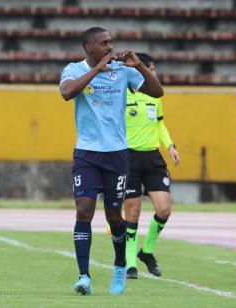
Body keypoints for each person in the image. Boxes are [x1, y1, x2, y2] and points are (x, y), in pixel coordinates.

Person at [59, 27, 163, 295]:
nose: (109, 47)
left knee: (114, 216)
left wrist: (138, 66)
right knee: (84, 210)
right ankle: (84, 277)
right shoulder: (73, 70)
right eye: (103, 43)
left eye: (110, 43)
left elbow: (157, 92)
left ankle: (119, 266)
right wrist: (97, 70)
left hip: (117, 155)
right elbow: (67, 93)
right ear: (89, 47)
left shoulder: (124, 71)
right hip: (86, 154)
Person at [121, 53, 180, 279]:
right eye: (151, 69)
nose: (154, 73)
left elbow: (160, 124)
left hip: (153, 158)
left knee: (164, 208)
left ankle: (146, 251)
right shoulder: (122, 93)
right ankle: (129, 263)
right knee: (132, 211)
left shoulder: (155, 95)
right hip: (129, 159)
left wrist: (170, 146)